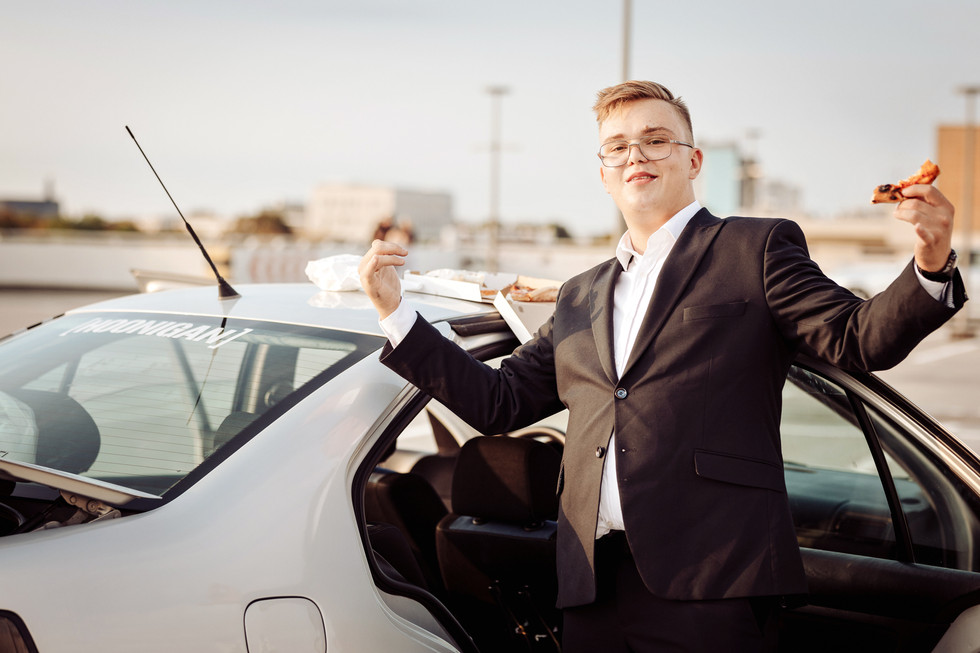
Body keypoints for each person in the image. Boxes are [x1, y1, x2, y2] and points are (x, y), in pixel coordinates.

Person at [358, 80, 966, 652]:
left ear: (693, 161)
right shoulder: (580, 294)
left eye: (655, 140)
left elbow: (857, 340)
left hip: (713, 580)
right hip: (590, 583)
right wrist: (395, 315)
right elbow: (500, 403)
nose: (636, 155)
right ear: (603, 174)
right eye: (618, 147)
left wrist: (931, 262)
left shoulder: (755, 248)